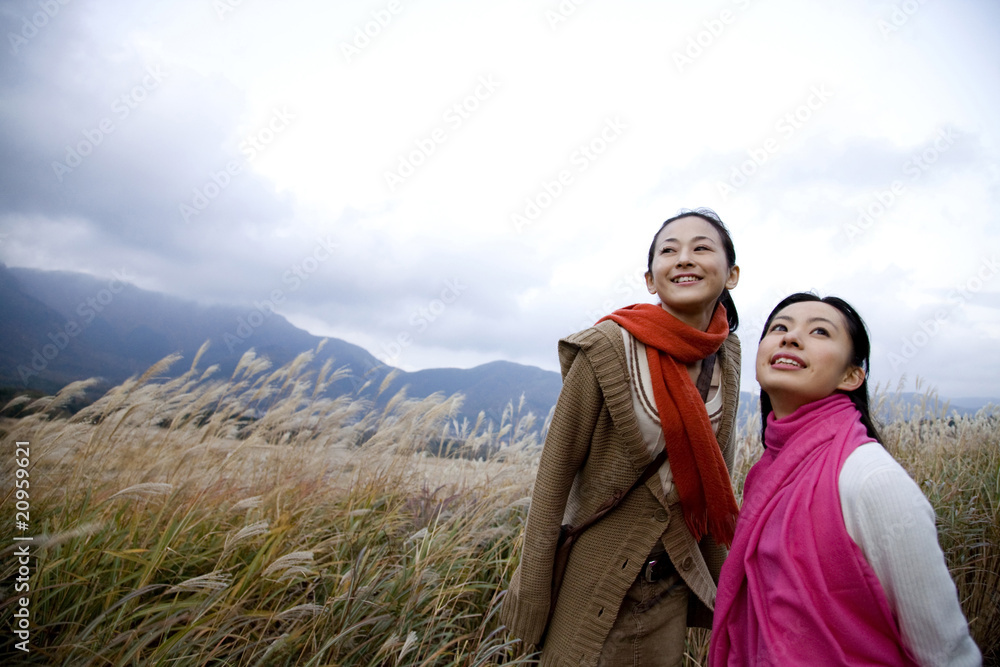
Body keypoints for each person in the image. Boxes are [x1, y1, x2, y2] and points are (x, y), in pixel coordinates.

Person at [500, 209, 742, 666]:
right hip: (595, 580)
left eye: (701, 248)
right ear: (651, 279)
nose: (684, 259)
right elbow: (553, 477)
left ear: (731, 274)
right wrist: (530, 596)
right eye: (669, 251)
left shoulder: (726, 354)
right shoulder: (607, 348)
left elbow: (718, 478)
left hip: (670, 587)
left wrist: (725, 587)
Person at [709, 293, 981, 666]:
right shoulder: (768, 471)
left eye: (820, 331)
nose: (790, 338)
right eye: (779, 328)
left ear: (853, 375)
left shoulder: (871, 479)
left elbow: (947, 653)